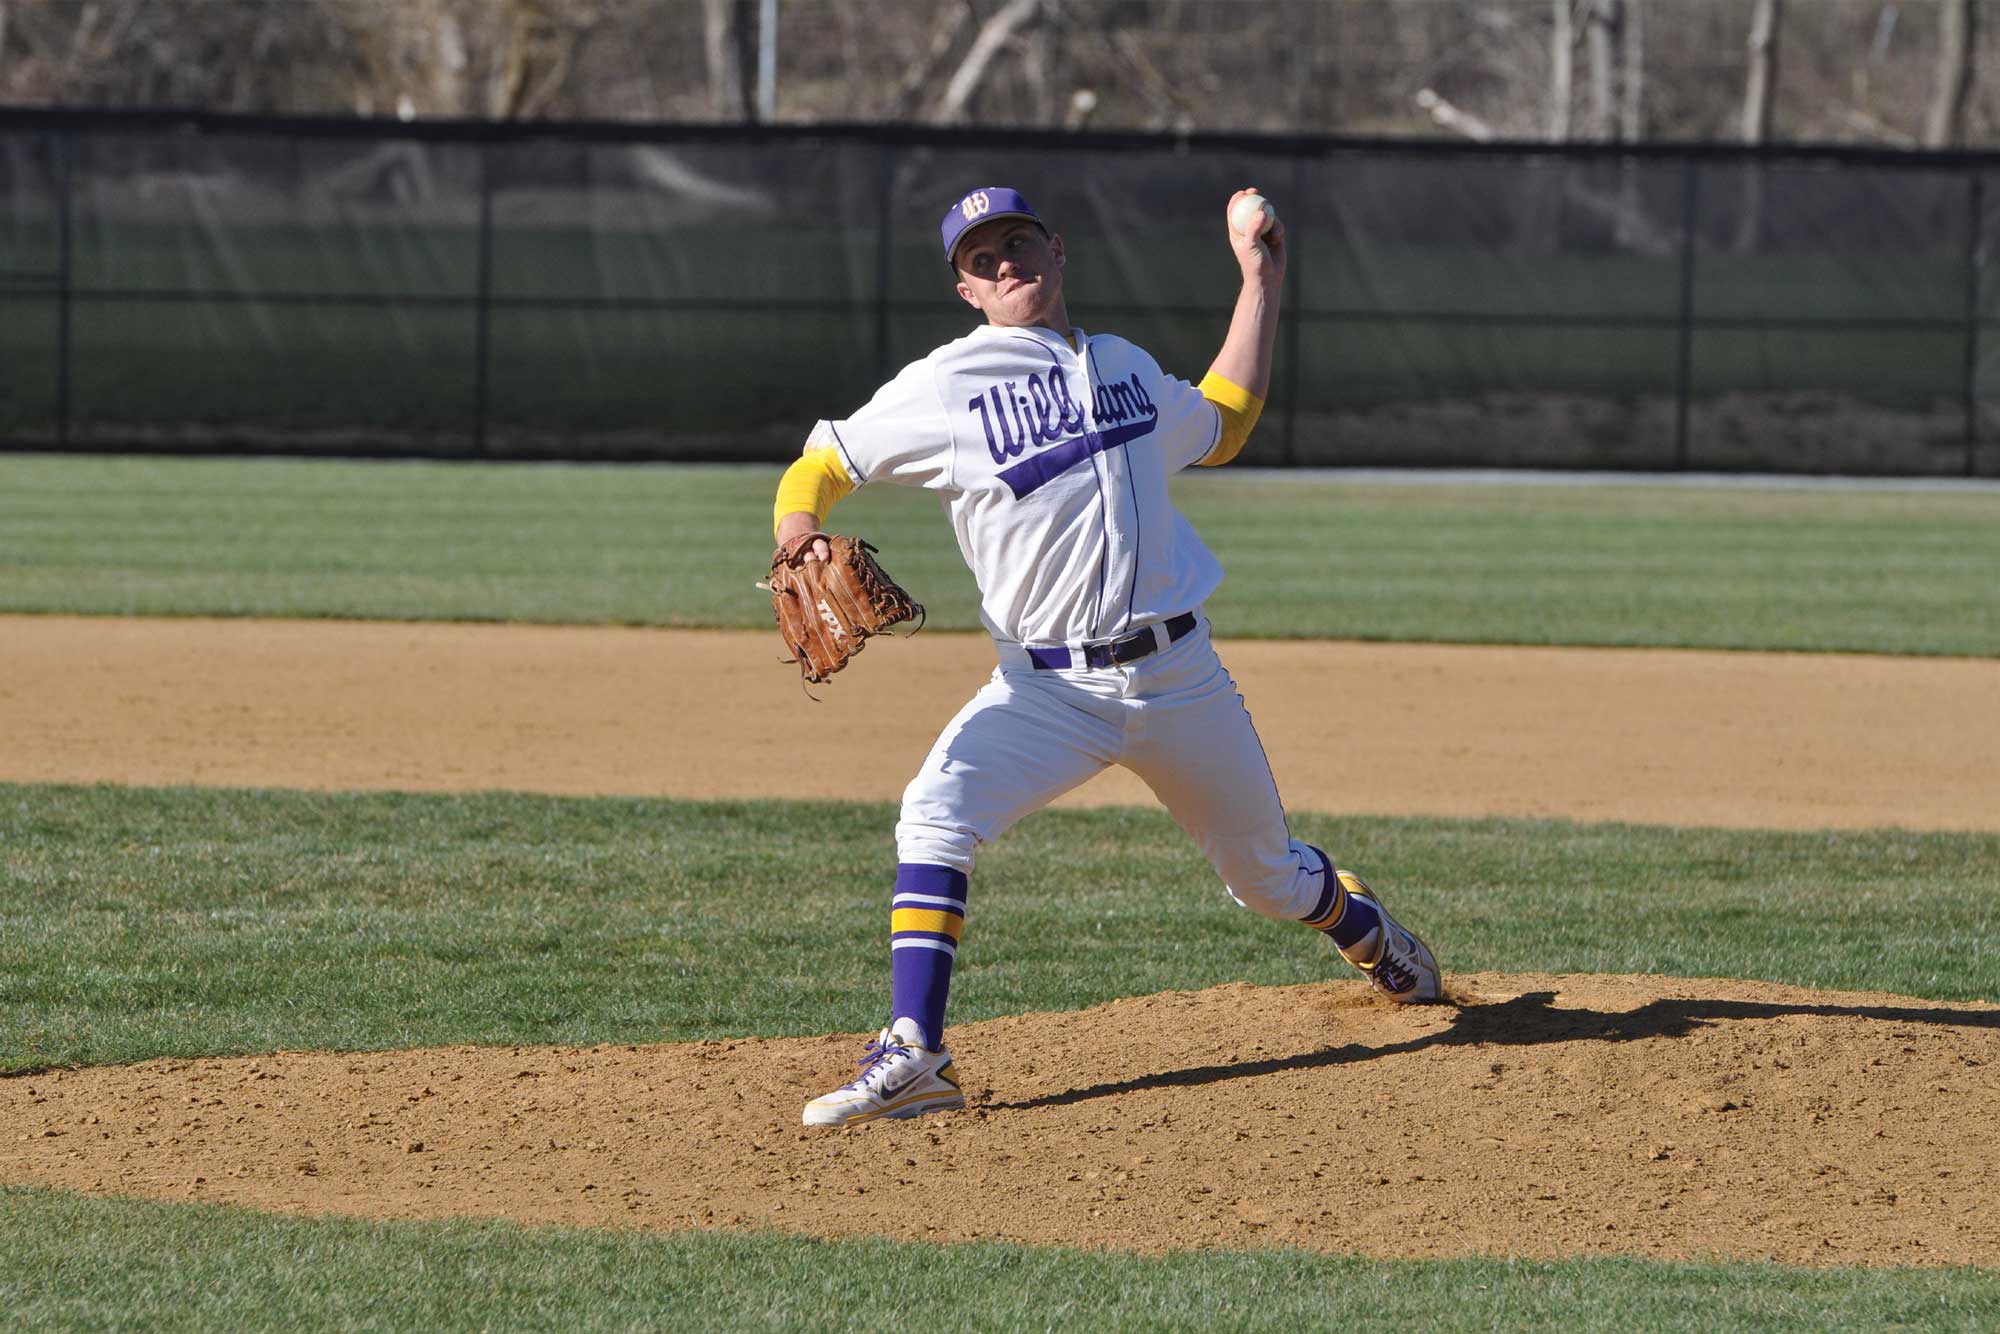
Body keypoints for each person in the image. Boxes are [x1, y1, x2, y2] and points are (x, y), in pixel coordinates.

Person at [772, 186, 1443, 1128]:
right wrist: (799, 535)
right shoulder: (948, 385)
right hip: (1046, 690)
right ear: (965, 289)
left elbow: (1223, 424)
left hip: (1180, 679)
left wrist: (1261, 280)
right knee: (934, 812)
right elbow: (826, 458)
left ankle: (1363, 927)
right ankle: (916, 1051)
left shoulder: (1122, 364)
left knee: (1267, 879)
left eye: (1018, 243)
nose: (1006, 265)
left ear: (1057, 250)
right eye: (982, 259)